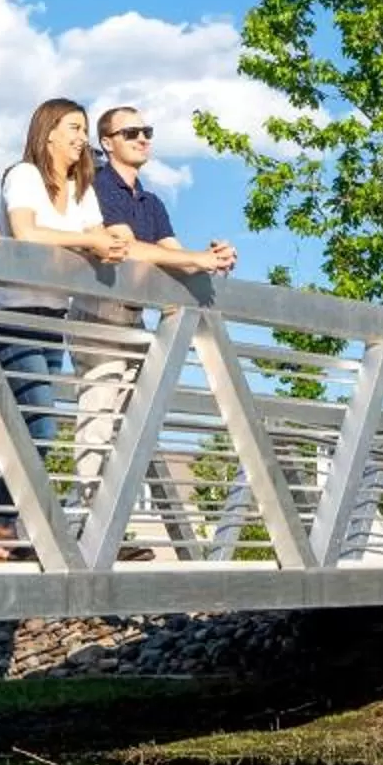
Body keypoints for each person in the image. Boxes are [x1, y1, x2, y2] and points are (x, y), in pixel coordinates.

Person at [73, 104, 238, 555]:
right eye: (130, 132)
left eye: (147, 130)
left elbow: (171, 253)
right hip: (100, 313)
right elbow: (129, 248)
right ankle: (85, 520)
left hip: (134, 319)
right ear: (107, 142)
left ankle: (99, 522)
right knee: (99, 414)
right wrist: (195, 261)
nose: (142, 138)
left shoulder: (152, 201)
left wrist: (212, 257)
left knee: (125, 421)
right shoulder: (99, 186)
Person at [0, 98, 132, 559]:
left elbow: (98, 239)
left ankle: (11, 533)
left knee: (33, 425)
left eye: (83, 129)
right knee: (40, 422)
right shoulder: (24, 175)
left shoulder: (80, 187)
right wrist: (90, 239)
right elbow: (27, 233)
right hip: (13, 314)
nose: (80, 137)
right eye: (72, 127)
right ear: (47, 132)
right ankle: (5, 533)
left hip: (52, 318)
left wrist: (113, 240)